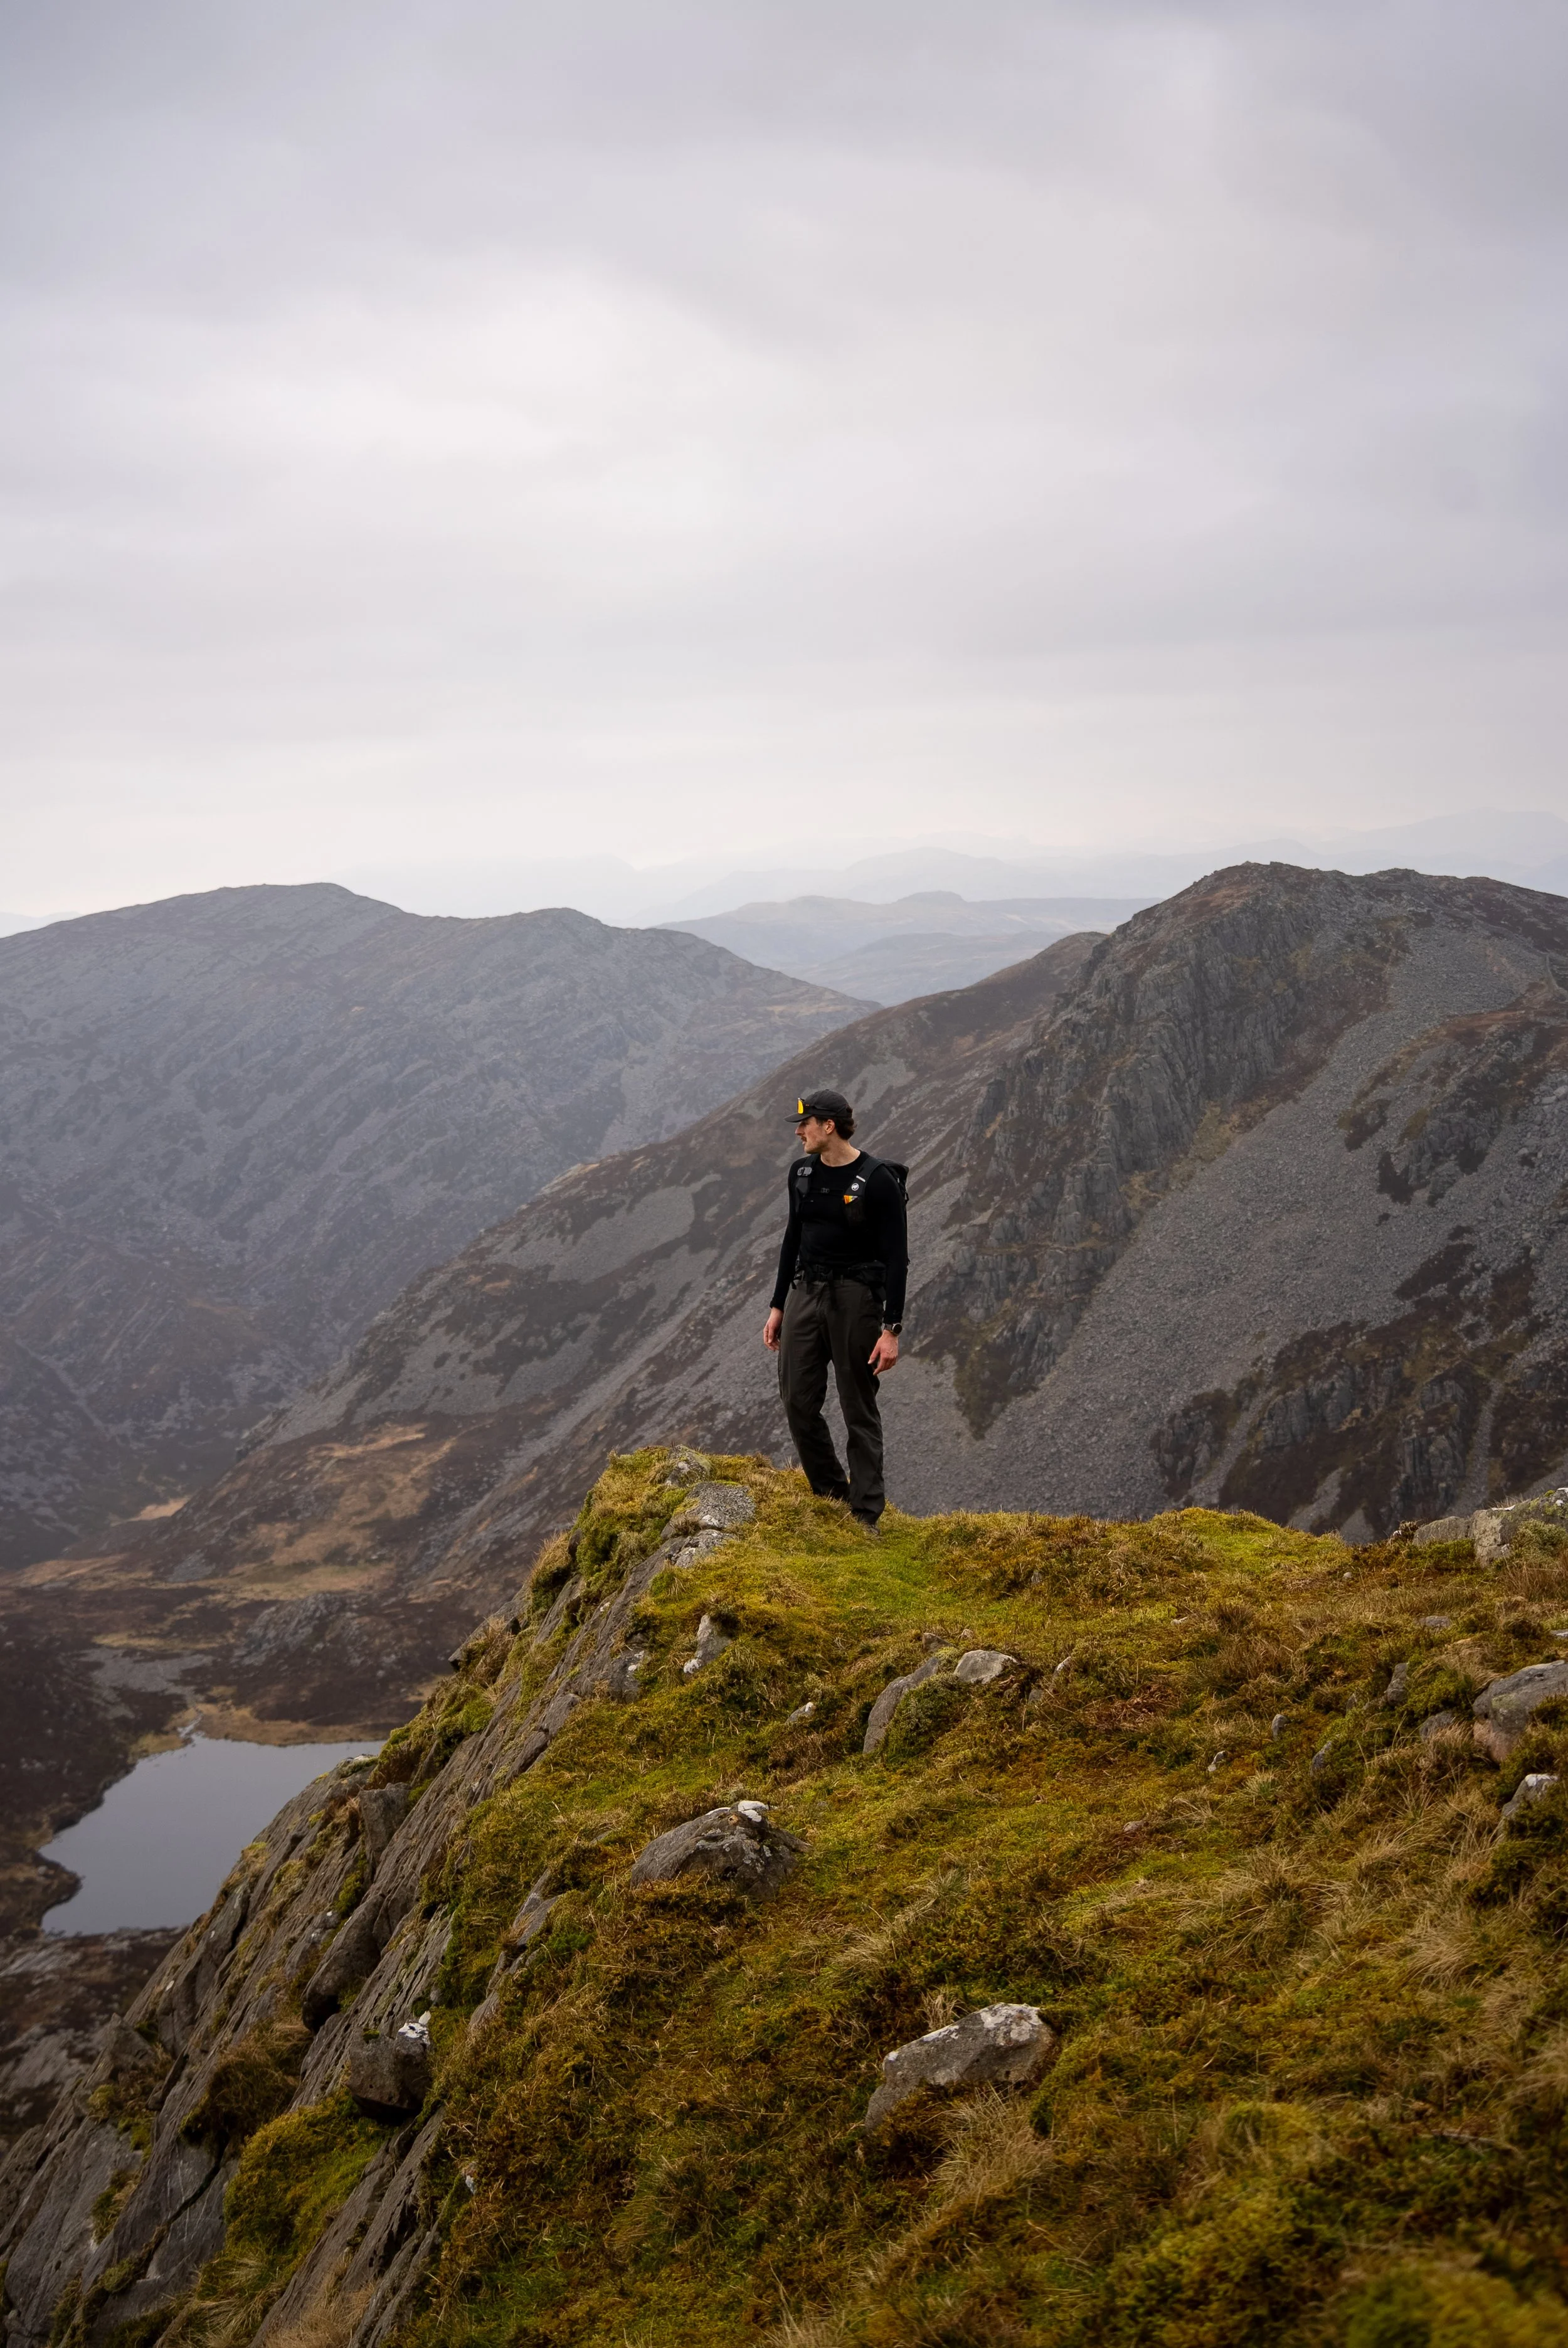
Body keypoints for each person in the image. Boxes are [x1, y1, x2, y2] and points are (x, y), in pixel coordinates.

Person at [762, 1088, 907, 1529]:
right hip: (805, 1294)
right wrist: (777, 1304)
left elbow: (898, 1256)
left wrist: (891, 1329)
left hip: (857, 1301)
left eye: (804, 1124)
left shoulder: (878, 1179)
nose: (798, 1132)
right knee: (796, 1399)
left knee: (857, 1406)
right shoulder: (801, 1173)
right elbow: (792, 1238)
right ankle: (832, 1495)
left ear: (829, 1125)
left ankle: (865, 1515)